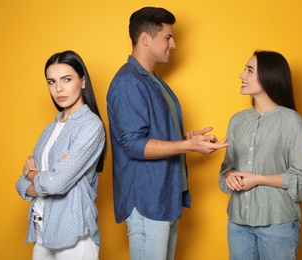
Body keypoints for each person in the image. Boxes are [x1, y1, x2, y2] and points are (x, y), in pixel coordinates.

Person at [106, 7, 230, 260]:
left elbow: (150, 136)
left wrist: (188, 141)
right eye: (168, 37)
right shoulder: (129, 81)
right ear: (145, 39)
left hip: (164, 198)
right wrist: (188, 147)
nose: (174, 44)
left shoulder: (153, 80)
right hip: (146, 201)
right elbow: (134, 145)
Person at [219, 50, 302, 260]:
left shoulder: (292, 122)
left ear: (268, 76)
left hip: (278, 225)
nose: (241, 75)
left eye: (249, 70)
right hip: (238, 223)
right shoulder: (237, 120)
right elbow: (227, 167)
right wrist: (230, 176)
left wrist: (257, 179)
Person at [16, 50, 106, 260]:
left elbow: (57, 184)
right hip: (41, 229)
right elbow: (20, 184)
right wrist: (39, 179)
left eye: (67, 79)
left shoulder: (91, 126)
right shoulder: (50, 128)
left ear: (82, 81)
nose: (59, 88)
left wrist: (32, 176)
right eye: (51, 81)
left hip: (73, 233)